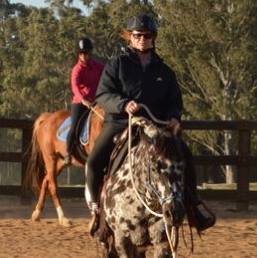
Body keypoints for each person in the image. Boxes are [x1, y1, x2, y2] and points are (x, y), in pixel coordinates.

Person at [84, 14, 215, 233]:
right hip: (121, 123)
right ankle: (97, 212)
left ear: (153, 38)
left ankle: (193, 207)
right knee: (94, 161)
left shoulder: (165, 71)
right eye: (137, 35)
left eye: (147, 35)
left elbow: (175, 101)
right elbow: (103, 95)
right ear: (130, 38)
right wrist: (123, 104)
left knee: (184, 155)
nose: (142, 39)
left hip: (157, 125)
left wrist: (174, 116)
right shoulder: (117, 65)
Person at [66, 37, 104, 165]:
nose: (85, 56)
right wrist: (83, 100)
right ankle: (68, 153)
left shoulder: (98, 66)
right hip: (81, 103)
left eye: (87, 53)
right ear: (78, 54)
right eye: (82, 53)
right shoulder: (77, 69)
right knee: (74, 126)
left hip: (97, 102)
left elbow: (107, 75)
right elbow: (75, 86)